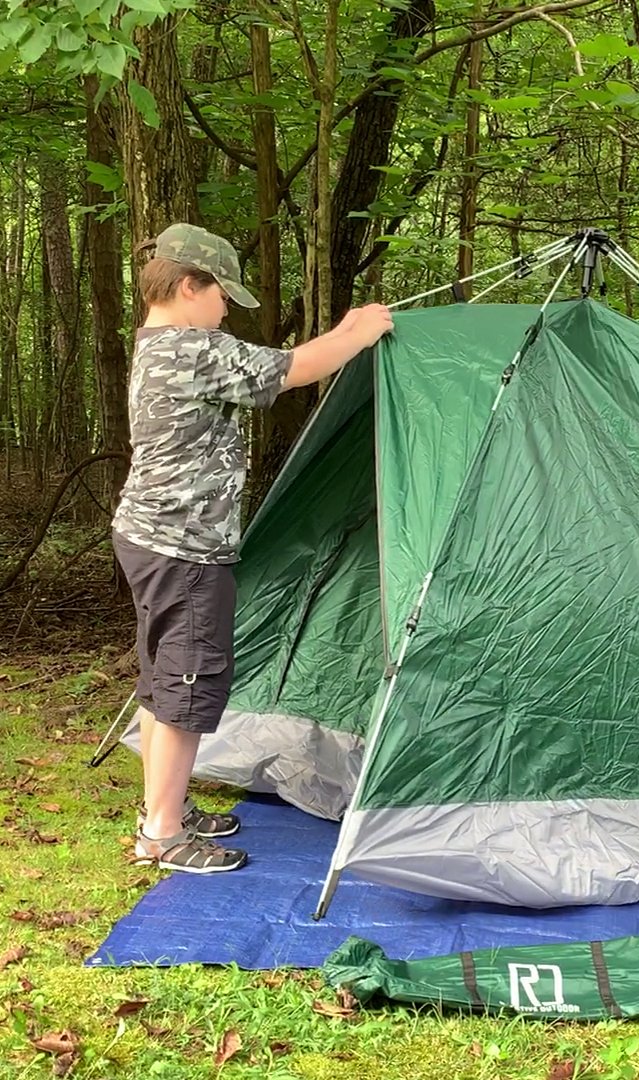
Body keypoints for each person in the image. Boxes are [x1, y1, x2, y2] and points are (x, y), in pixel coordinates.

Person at [112, 222, 393, 873]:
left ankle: (167, 810)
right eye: (223, 298)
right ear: (189, 286)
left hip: (152, 537)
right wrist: (357, 329)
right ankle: (161, 834)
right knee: (186, 690)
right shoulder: (191, 349)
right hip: (184, 550)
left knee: (161, 686)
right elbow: (293, 369)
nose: (227, 310)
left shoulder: (155, 346)